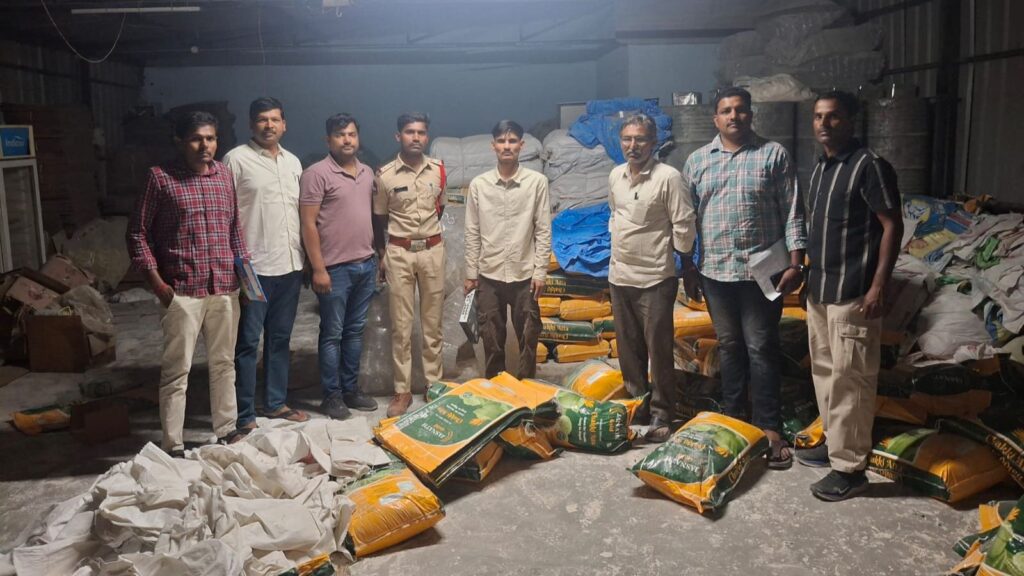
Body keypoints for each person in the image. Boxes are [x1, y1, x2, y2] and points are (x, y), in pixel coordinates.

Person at [682, 87, 806, 466]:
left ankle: (768, 426)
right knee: (730, 345)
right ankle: (734, 417)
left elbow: (793, 210)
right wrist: (687, 266)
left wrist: (797, 262)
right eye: (725, 111)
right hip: (716, 270)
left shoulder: (773, 155)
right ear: (715, 118)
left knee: (760, 346)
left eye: (740, 110)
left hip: (762, 271)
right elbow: (686, 221)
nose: (733, 116)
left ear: (751, 115)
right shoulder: (698, 161)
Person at [797, 91, 903, 501]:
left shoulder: (870, 167)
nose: (824, 124)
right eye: (819, 117)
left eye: (834, 117)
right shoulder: (821, 168)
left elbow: (891, 227)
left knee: (851, 380)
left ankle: (851, 468)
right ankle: (834, 444)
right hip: (821, 288)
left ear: (851, 121)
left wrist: (879, 285)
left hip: (854, 294)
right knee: (824, 373)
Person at [126, 111, 250, 457]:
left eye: (210, 138)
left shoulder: (224, 175)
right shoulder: (160, 178)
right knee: (177, 371)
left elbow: (235, 230)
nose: (204, 145)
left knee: (224, 364)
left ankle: (226, 430)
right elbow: (137, 233)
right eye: (196, 138)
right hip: (181, 290)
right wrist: (157, 284)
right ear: (180, 142)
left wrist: (247, 283)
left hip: (224, 286)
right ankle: (173, 442)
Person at [608, 114, 696, 443]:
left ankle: (662, 411)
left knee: (658, 349)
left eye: (641, 139)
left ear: (653, 143)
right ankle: (637, 404)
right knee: (628, 349)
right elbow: (615, 214)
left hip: (655, 278)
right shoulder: (615, 175)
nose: (633, 146)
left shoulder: (668, 178)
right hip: (620, 276)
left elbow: (683, 224)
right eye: (628, 139)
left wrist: (686, 264)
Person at [223, 97, 307, 428]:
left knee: (280, 339)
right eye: (262, 119)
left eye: (275, 119)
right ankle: (243, 414)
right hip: (252, 269)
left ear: (284, 124)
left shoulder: (293, 163)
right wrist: (235, 263)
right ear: (251, 125)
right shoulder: (236, 160)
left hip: (289, 265)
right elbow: (226, 215)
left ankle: (274, 402)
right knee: (247, 342)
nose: (269, 125)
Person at [300, 113, 380, 420]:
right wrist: (318, 268)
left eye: (351, 134)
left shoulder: (367, 173)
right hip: (334, 270)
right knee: (332, 334)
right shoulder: (316, 174)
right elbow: (308, 223)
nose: (346, 140)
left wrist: (376, 257)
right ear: (328, 140)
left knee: (355, 332)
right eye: (339, 135)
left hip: (365, 264)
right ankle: (331, 396)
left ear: (358, 138)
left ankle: (351, 389)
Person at [464, 120, 551, 379]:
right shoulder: (479, 185)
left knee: (529, 337)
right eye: (501, 141)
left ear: (521, 146)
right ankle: (496, 391)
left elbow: (543, 230)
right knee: (491, 338)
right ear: (493, 146)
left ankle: (527, 392)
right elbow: (472, 232)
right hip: (489, 274)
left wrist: (541, 272)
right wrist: (471, 272)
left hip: (525, 275)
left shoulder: (537, 182)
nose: (507, 146)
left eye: (512, 141)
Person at [373, 112, 446, 417]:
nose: (415, 137)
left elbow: (439, 209)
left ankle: (434, 385)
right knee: (401, 327)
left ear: (427, 136)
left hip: (432, 250)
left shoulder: (438, 170)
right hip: (399, 252)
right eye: (409, 132)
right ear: (398, 137)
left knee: (432, 325)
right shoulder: (385, 175)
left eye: (421, 132)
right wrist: (382, 254)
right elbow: (379, 217)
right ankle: (401, 391)